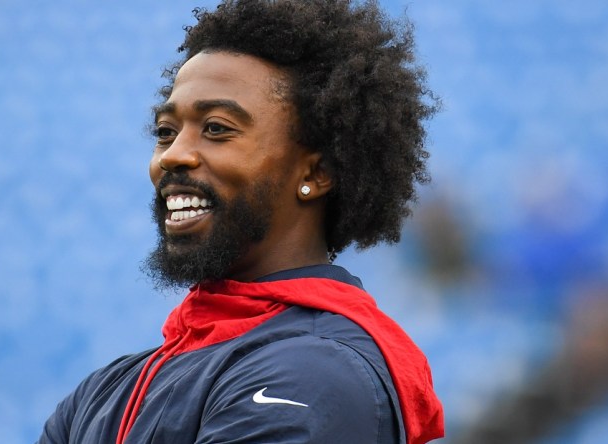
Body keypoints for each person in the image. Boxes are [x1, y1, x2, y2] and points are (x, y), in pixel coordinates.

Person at [38, 0, 444, 443]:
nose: (173, 155)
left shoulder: (315, 372)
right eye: (165, 132)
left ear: (315, 173)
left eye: (216, 128)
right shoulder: (101, 393)